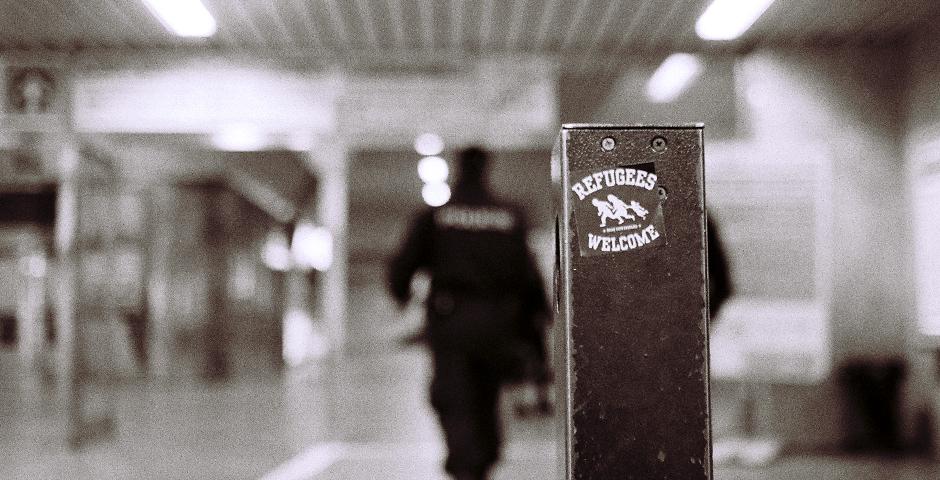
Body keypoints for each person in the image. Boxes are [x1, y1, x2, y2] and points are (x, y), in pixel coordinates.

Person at [387, 146, 549, 480]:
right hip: (500, 321)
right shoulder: (510, 216)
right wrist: (536, 319)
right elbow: (529, 275)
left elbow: (402, 266)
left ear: (457, 168)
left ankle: (467, 466)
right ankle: (486, 457)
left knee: (454, 394)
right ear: (486, 169)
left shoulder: (437, 216)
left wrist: (401, 297)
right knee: (488, 394)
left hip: (453, 320)